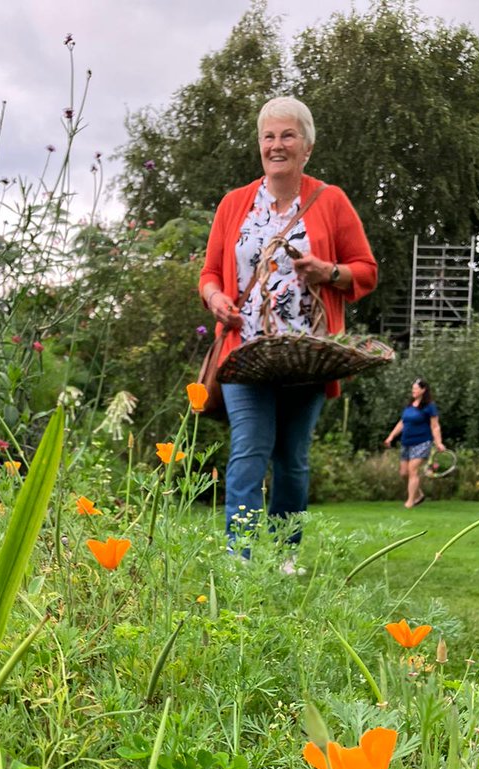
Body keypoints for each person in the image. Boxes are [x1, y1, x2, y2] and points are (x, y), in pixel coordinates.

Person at [199, 96, 378, 561]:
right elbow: (210, 275)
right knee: (248, 453)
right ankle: (240, 561)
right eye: (269, 136)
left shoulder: (330, 201)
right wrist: (216, 299)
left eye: (287, 135)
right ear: (260, 145)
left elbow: (366, 271)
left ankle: (284, 557)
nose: (276, 145)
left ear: (307, 147)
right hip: (245, 355)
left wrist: (328, 272)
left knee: (292, 462)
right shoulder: (234, 204)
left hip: (308, 358)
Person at [383, 378, 446, 508]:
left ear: (423, 390)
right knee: (404, 473)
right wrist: (391, 437)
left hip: (422, 442)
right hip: (406, 442)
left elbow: (435, 426)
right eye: (413, 389)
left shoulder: (429, 407)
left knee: (413, 470)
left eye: (416, 388)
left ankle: (410, 502)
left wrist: (438, 442)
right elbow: (402, 422)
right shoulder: (409, 405)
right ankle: (419, 495)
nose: (413, 391)